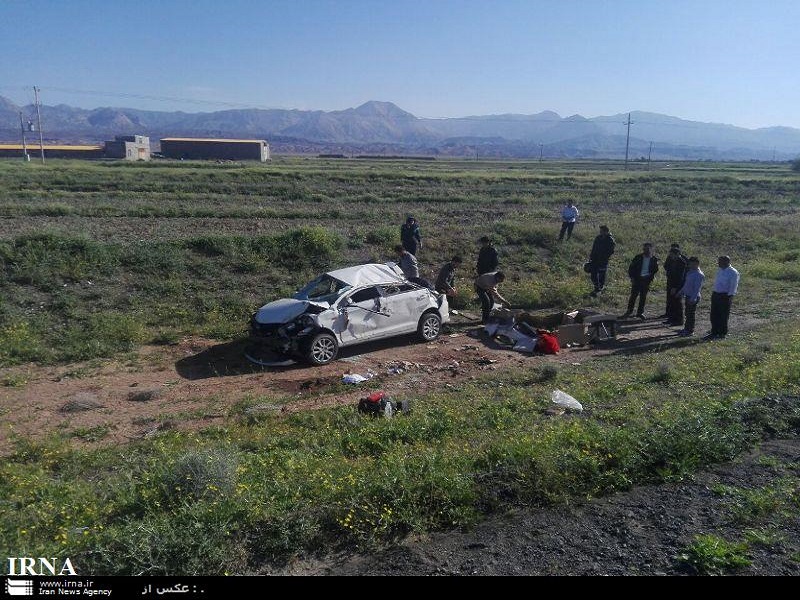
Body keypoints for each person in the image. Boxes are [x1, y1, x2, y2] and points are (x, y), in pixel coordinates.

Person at [706, 255, 740, 339]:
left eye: (720, 262)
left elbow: (733, 286)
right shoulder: (720, 270)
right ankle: (714, 331)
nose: (718, 263)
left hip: (725, 296)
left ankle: (722, 333)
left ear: (726, 262)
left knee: (723, 315)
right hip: (716, 294)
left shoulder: (733, 272)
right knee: (714, 314)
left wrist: (730, 296)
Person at [622, 242, 659, 319]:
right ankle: (629, 311)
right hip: (637, 279)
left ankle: (640, 312)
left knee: (643, 297)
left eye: (648, 248)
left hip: (646, 280)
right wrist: (632, 277)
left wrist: (650, 275)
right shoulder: (638, 257)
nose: (646, 250)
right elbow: (631, 268)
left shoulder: (654, 259)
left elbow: (655, 269)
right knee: (633, 296)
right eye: (645, 248)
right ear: (643, 249)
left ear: (651, 249)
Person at [676, 257, 704, 337]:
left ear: (697, 264)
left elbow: (697, 288)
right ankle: (686, 328)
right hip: (688, 296)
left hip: (693, 297)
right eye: (690, 263)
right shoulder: (690, 272)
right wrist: (681, 292)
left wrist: (693, 299)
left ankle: (690, 330)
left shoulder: (699, 275)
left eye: (692, 264)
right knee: (687, 314)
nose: (690, 265)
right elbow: (686, 285)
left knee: (690, 314)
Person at [662, 244, 688, 326]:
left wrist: (675, 287)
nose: (670, 256)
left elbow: (680, 277)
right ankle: (671, 318)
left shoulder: (682, 262)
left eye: (672, 254)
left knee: (677, 303)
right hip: (671, 282)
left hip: (677, 285)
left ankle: (679, 320)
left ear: (677, 254)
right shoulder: (672, 260)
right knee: (671, 302)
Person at [587, 225, 616, 297]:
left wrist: (604, 257)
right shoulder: (598, 238)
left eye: (602, 231)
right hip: (595, 259)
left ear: (606, 231)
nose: (600, 232)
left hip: (603, 261)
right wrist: (591, 257)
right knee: (593, 274)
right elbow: (594, 248)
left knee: (601, 275)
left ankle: (600, 288)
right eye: (600, 231)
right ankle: (597, 287)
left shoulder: (610, 240)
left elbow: (611, 251)